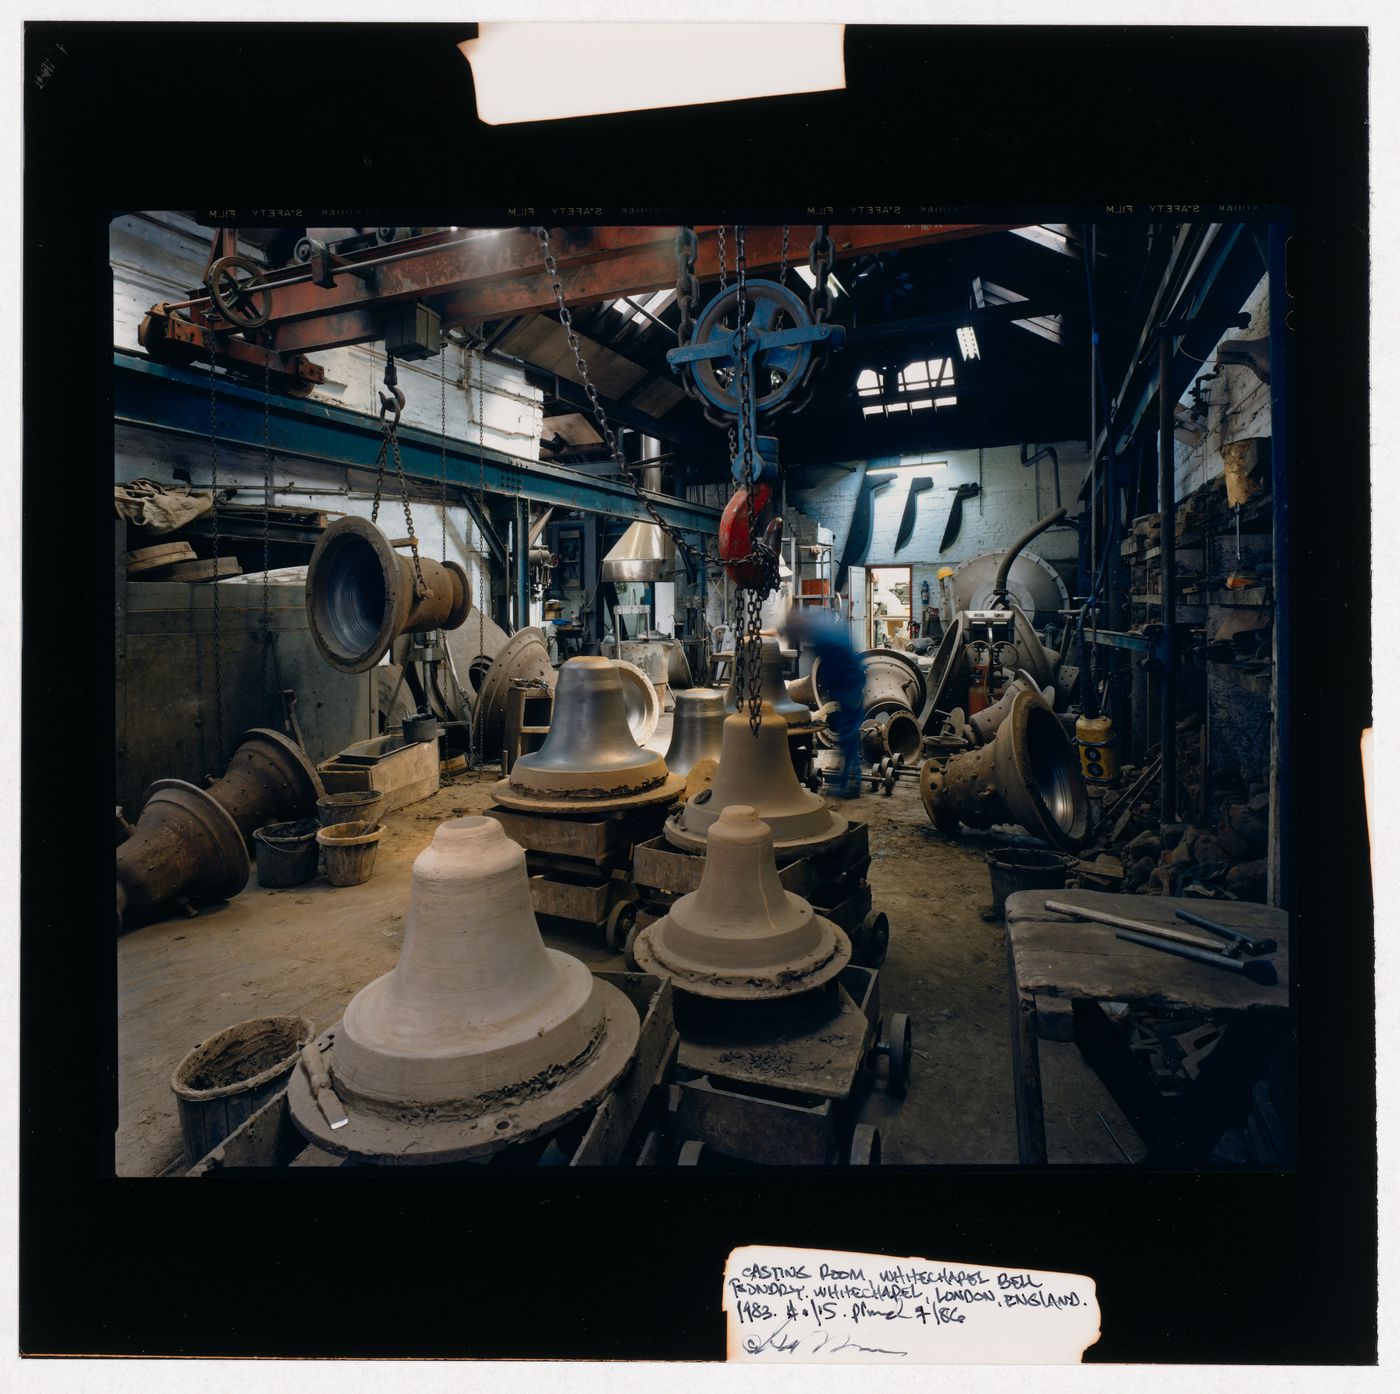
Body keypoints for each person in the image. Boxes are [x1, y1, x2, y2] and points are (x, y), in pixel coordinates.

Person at [783, 607, 866, 799]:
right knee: (849, 736)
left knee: (848, 736)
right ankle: (848, 780)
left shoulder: (822, 636)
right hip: (850, 681)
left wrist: (834, 689)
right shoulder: (820, 625)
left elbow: (834, 664)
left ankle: (852, 784)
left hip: (849, 684)